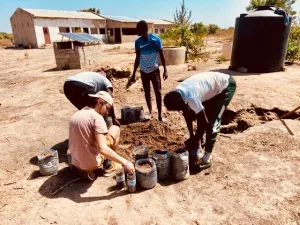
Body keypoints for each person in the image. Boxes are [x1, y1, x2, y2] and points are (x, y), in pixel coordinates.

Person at [163, 72, 236, 170]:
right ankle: (199, 141)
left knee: (212, 123)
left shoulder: (191, 98)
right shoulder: (177, 93)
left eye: (179, 109)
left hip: (226, 86)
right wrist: (192, 136)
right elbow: (187, 114)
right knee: (197, 114)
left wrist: (196, 138)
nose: (180, 111)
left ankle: (207, 158)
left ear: (180, 103)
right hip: (211, 87)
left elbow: (204, 122)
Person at [68, 91, 135, 180]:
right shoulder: (97, 117)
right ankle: (108, 166)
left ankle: (82, 170)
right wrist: (125, 163)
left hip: (76, 162)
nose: (107, 112)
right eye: (107, 108)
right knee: (115, 128)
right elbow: (102, 149)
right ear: (100, 102)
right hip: (91, 164)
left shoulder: (77, 114)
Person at [130, 20, 168, 122]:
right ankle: (150, 112)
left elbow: (162, 55)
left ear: (144, 29)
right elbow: (137, 58)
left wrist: (165, 70)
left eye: (138, 29)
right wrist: (133, 73)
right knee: (147, 92)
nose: (137, 31)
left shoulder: (156, 40)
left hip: (154, 71)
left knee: (158, 92)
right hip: (144, 71)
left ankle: (160, 115)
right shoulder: (138, 42)